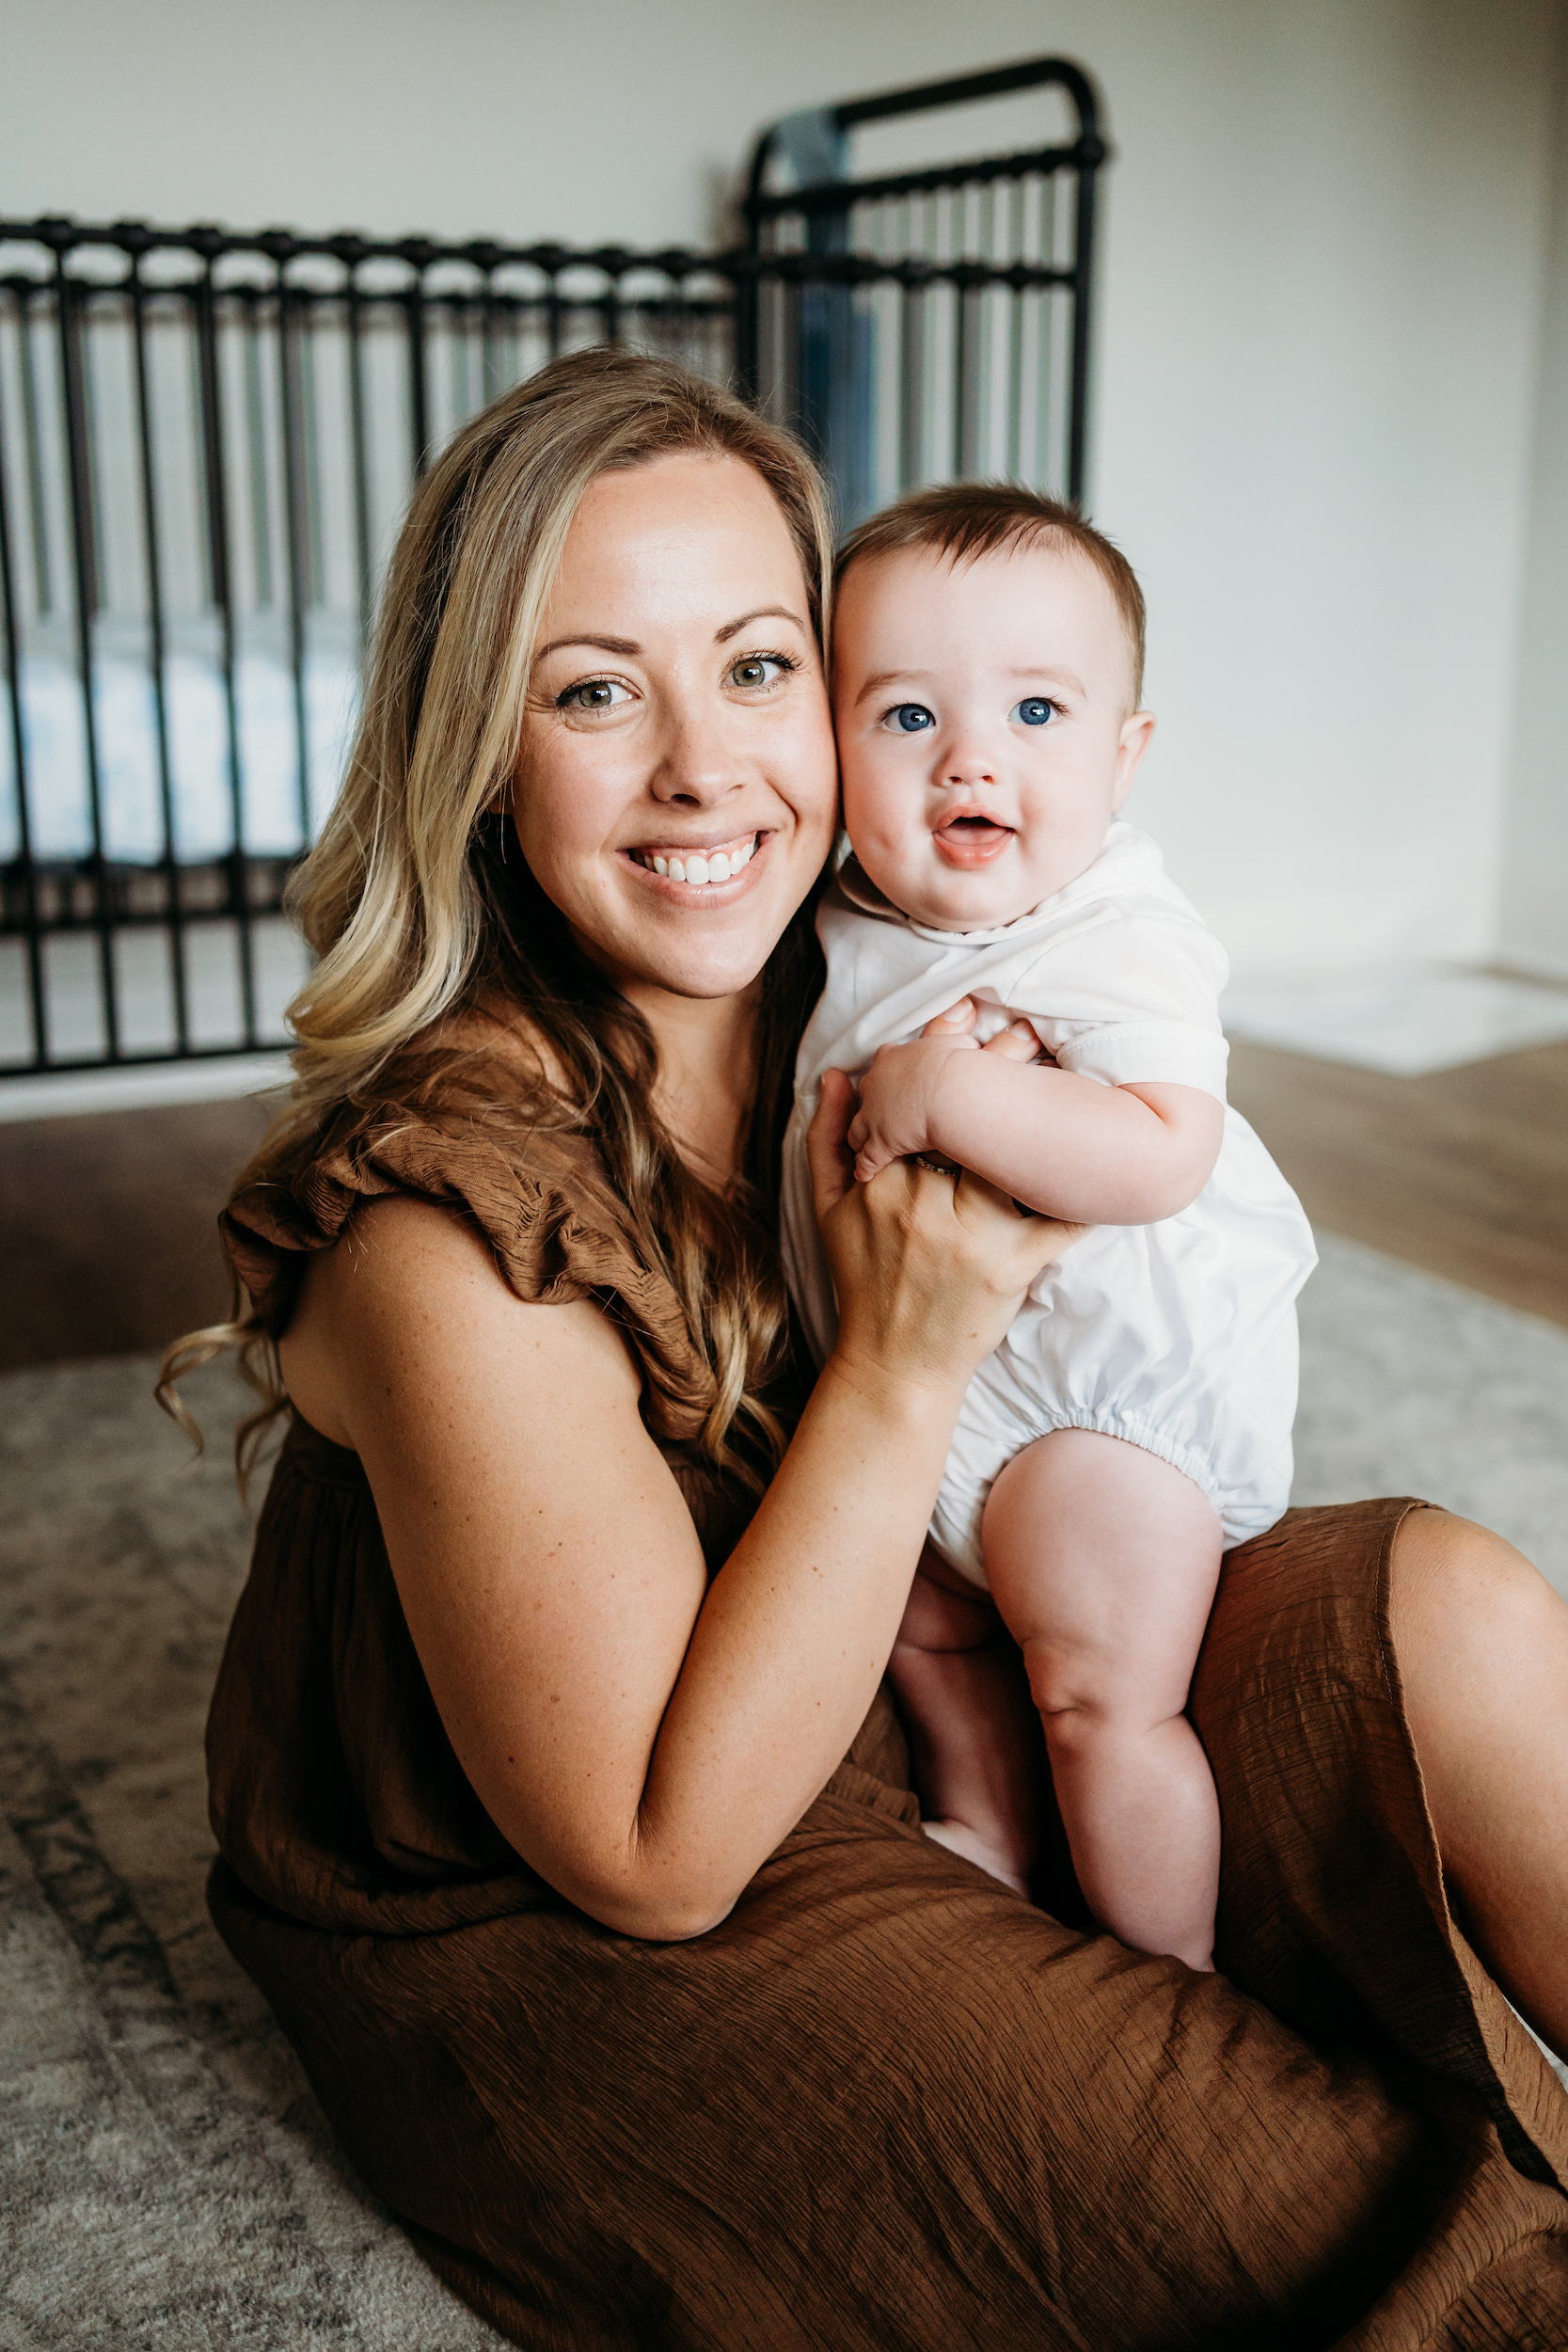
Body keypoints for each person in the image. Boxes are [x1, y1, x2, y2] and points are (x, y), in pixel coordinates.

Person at [163, 346, 1568, 2349]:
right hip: (633, 1893)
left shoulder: (869, 972)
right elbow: (658, 1848)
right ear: (479, 747)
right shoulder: (440, 1216)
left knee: (1443, 1609)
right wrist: (906, 1358)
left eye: (754, 668)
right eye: (590, 691)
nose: (700, 768)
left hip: (930, 1673)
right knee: (1331, 2206)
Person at [779, 485, 1316, 1969]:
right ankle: (994, 1826)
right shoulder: (849, 920)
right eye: (902, 718)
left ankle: (1173, 1965)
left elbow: (1158, 1153)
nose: (972, 758)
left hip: (1097, 1406)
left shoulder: (1115, 931)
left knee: (1100, 1698)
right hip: (927, 1393)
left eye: (1035, 710)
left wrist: (943, 1092)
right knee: (915, 1627)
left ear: (1123, 757)